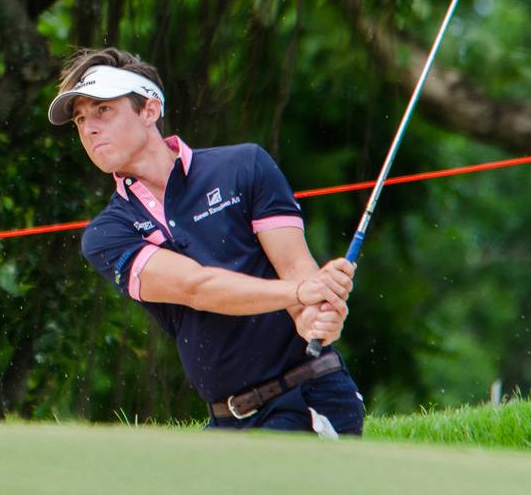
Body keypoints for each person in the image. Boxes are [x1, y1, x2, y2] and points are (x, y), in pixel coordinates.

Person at [52, 47, 364, 435]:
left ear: (149, 111)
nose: (89, 128)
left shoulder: (244, 166)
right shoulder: (107, 233)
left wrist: (318, 317)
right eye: (80, 119)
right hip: (225, 420)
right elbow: (195, 287)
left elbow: (297, 271)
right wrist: (303, 292)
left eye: (103, 111)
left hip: (308, 396)